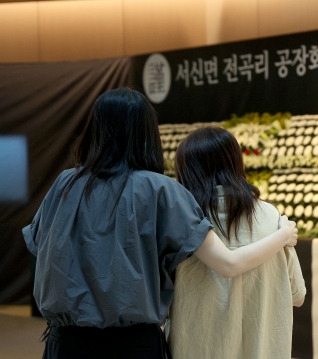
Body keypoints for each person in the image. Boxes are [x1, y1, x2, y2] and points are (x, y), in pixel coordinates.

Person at [21, 88, 298, 359]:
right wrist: (284, 234)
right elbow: (227, 264)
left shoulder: (64, 185)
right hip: (133, 345)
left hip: (66, 343)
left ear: (94, 129)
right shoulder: (162, 191)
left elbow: (43, 248)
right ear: (147, 133)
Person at [170, 126, 306, 359]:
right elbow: (298, 296)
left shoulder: (183, 220)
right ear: (236, 162)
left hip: (198, 348)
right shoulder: (271, 216)